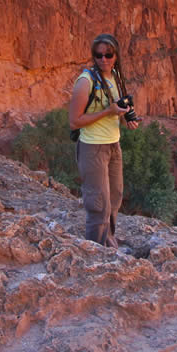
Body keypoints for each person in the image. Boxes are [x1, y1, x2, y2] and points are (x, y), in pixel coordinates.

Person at [68, 34, 139, 246]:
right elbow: (74, 122)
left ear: (116, 55)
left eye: (108, 55)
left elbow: (117, 106)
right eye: (98, 55)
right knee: (98, 205)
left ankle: (108, 242)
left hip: (113, 144)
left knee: (115, 198)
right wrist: (108, 111)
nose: (104, 59)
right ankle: (95, 252)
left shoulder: (116, 76)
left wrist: (127, 118)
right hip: (92, 148)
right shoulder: (85, 81)